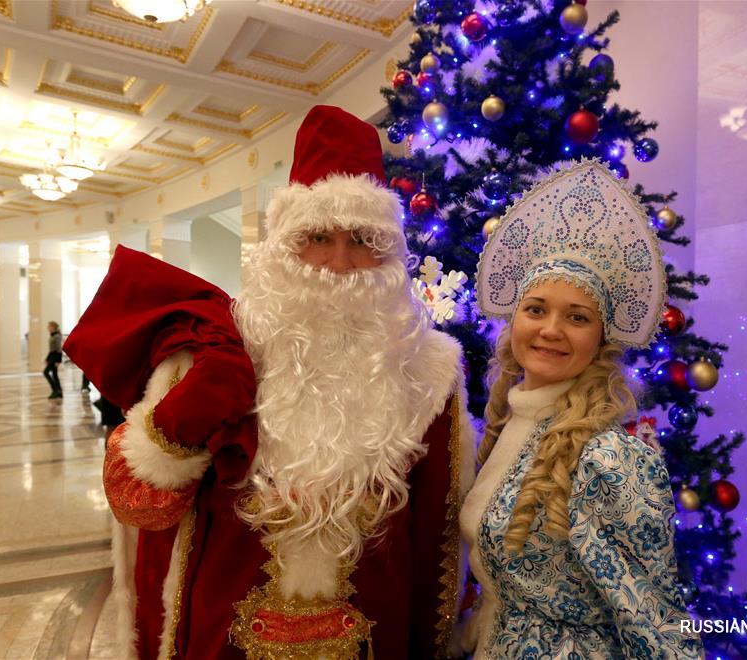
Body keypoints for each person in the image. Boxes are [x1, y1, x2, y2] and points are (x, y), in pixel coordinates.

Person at [64, 105, 474, 659]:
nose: (339, 262)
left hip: (375, 634)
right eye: (318, 237)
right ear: (283, 246)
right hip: (219, 630)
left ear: (388, 255)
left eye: (361, 240)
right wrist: (180, 426)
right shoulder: (215, 350)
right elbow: (142, 506)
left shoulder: (431, 371)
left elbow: (438, 540)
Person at [458, 160, 703, 658]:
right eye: (536, 309)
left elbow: (655, 625)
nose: (550, 329)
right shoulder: (504, 423)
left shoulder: (610, 459)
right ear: (514, 321)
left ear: (601, 338)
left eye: (577, 317)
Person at [43, 321, 63, 399]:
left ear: (53, 327)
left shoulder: (57, 336)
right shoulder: (52, 335)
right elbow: (51, 349)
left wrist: (58, 361)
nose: (48, 328)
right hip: (52, 356)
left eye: (49, 326)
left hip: (55, 357)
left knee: (45, 372)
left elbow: (58, 349)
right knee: (54, 375)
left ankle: (55, 391)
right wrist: (47, 358)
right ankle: (59, 392)